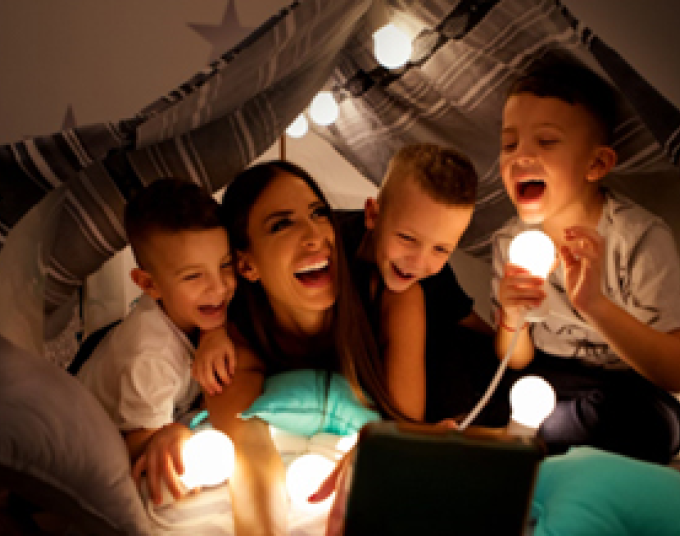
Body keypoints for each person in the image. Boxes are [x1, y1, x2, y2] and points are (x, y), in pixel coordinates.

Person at [202, 160, 417, 535]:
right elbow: (246, 448)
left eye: (318, 213)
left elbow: (408, 434)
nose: (316, 235)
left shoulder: (393, 297)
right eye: (282, 224)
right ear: (246, 265)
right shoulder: (236, 338)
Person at [492, 62, 680, 464]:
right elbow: (517, 358)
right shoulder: (510, 242)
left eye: (546, 141)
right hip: (549, 378)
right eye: (509, 144)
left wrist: (593, 304)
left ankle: (537, 440)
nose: (521, 155)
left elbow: (673, 372)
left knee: (645, 424)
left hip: (630, 385)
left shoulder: (640, 238)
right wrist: (511, 313)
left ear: (596, 164)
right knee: (498, 397)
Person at [77, 178, 236, 504]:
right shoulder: (150, 357)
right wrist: (170, 435)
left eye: (225, 265)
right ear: (149, 285)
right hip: (86, 447)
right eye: (194, 276)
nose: (219, 287)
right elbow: (135, 445)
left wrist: (214, 332)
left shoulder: (201, 309)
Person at [337, 143, 506, 424]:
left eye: (441, 249)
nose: (417, 261)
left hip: (437, 371)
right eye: (407, 238)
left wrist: (509, 335)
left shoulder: (434, 277)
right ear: (373, 215)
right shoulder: (334, 245)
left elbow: (468, 322)